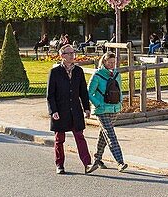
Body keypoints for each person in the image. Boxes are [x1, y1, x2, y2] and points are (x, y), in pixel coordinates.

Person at [46, 45, 92, 174]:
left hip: (75, 111)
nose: (73, 55)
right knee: (59, 139)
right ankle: (59, 164)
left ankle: (87, 164)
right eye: (69, 53)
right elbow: (50, 95)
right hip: (60, 111)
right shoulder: (54, 72)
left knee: (80, 136)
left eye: (73, 52)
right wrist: (53, 111)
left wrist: (86, 108)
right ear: (62, 56)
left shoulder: (78, 71)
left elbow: (83, 91)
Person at [86, 51, 127, 173]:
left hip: (114, 108)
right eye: (110, 62)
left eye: (114, 62)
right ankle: (120, 162)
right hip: (102, 110)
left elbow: (120, 89)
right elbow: (89, 92)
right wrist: (98, 104)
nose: (112, 65)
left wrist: (120, 102)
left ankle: (97, 159)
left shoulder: (117, 75)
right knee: (110, 135)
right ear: (104, 62)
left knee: (104, 135)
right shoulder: (97, 75)